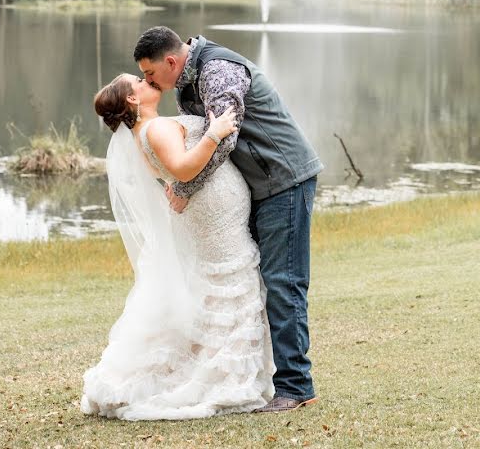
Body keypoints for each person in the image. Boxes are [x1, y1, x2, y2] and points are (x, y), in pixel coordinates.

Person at [134, 26, 322, 413]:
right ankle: (263, 376)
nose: (151, 82)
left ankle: (296, 386)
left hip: (284, 179)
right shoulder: (188, 82)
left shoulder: (218, 70)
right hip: (260, 185)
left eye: (151, 74)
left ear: (171, 62)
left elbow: (225, 137)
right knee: (261, 281)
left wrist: (184, 189)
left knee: (283, 281)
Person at [83, 74, 275, 420]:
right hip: (211, 218)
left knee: (215, 283)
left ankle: (213, 363)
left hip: (207, 216)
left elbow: (172, 176)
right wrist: (215, 133)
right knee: (227, 281)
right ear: (132, 100)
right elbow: (183, 171)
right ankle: (221, 374)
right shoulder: (155, 129)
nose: (147, 80)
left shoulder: (146, 131)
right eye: (139, 81)